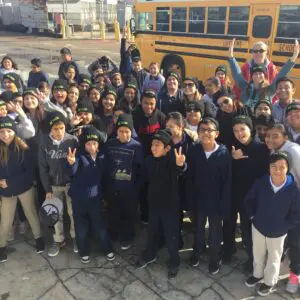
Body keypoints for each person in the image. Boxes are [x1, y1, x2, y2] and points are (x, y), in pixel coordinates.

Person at [244, 152, 300, 297]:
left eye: (282, 167)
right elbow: (249, 200)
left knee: (274, 258)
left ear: (288, 168)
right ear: (268, 168)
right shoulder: (261, 183)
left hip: (278, 232)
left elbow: (296, 214)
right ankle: (257, 274)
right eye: (273, 166)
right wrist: (252, 217)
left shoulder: (293, 190)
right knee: (258, 253)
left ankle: (269, 281)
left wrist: (284, 226)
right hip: (258, 227)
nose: (277, 170)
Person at [135, 129, 186, 278]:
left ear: (167, 148)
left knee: (172, 236)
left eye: (158, 145)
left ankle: (174, 262)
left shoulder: (172, 161)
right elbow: (142, 179)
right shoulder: (149, 160)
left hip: (171, 206)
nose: (153, 148)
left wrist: (180, 165)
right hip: (154, 204)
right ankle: (150, 255)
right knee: (152, 231)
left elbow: (180, 169)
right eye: (152, 145)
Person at [222, 115, 269, 272]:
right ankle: (228, 249)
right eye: (236, 130)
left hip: (250, 197)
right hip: (232, 193)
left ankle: (252, 258)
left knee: (247, 229)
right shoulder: (231, 146)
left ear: (251, 129)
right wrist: (232, 158)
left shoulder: (261, 148)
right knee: (228, 224)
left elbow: (264, 175)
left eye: (242, 129)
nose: (239, 133)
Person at [187, 118, 231, 274]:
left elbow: (227, 181)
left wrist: (224, 203)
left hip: (216, 200)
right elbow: (190, 177)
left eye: (209, 130)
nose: (205, 133)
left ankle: (215, 257)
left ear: (217, 133)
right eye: (202, 130)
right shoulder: (193, 150)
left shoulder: (224, 153)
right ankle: (197, 251)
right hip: (199, 199)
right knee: (198, 228)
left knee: (214, 230)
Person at [66, 125, 115, 264]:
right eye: (88, 144)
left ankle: (106, 249)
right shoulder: (79, 156)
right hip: (79, 199)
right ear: (83, 144)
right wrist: (71, 163)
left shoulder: (102, 156)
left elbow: (106, 173)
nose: (91, 146)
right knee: (80, 227)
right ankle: (84, 251)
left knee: (99, 225)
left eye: (94, 143)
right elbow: (72, 172)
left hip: (95, 198)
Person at [0, 116, 44, 262]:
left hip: (24, 188)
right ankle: (2, 246)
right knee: (6, 220)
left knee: (31, 213)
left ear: (14, 132)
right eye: (2, 131)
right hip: (6, 192)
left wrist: (10, 182)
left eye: (8, 131)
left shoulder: (23, 148)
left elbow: (29, 173)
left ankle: (39, 238)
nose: (5, 135)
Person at [38, 111, 78, 257]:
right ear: (50, 129)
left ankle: (75, 237)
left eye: (61, 128)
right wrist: (47, 189)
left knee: (73, 212)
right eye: (55, 129)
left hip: (70, 184)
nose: (59, 131)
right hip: (54, 185)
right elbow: (42, 168)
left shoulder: (72, 140)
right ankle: (58, 239)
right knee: (55, 213)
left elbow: (78, 163)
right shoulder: (44, 142)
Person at [104, 114, 143, 250]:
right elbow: (106, 164)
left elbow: (139, 169)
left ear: (131, 131)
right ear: (116, 131)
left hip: (130, 188)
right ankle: (113, 234)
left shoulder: (136, 146)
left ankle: (127, 237)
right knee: (113, 211)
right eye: (121, 131)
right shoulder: (110, 144)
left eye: (127, 131)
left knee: (129, 214)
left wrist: (136, 187)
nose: (123, 134)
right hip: (114, 186)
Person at [228, 39, 299, 110]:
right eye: (255, 73)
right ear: (251, 76)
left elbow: (281, 74)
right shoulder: (245, 87)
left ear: (264, 75)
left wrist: (293, 57)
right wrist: (231, 57)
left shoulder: (269, 90)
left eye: (260, 73)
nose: (258, 75)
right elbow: (237, 75)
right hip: (246, 118)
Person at [133, 89, 166, 223]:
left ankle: (156, 214)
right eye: (146, 103)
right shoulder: (135, 115)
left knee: (156, 188)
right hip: (140, 158)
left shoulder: (161, 116)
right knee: (142, 188)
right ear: (141, 102)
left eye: (152, 104)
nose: (149, 107)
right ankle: (144, 215)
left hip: (156, 158)